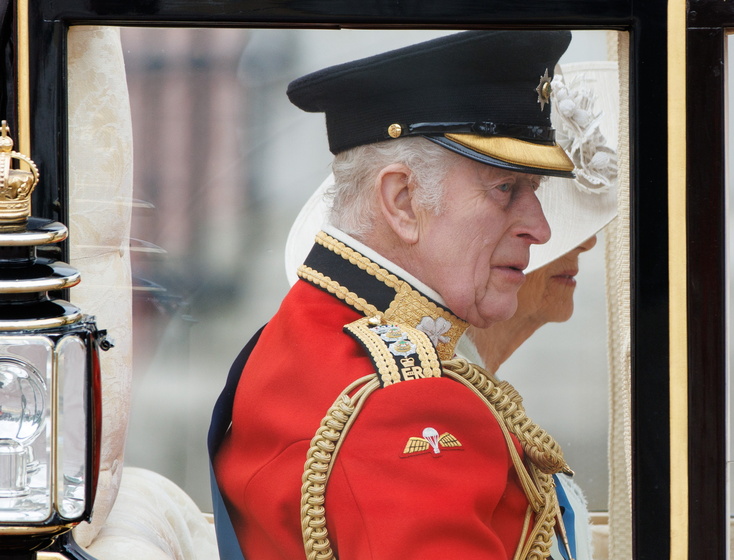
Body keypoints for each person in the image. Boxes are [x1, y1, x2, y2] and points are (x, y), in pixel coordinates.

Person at [210, 30, 587, 560]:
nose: (541, 229)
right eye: (505, 189)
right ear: (403, 200)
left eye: (535, 192)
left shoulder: (308, 329)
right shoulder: (405, 405)